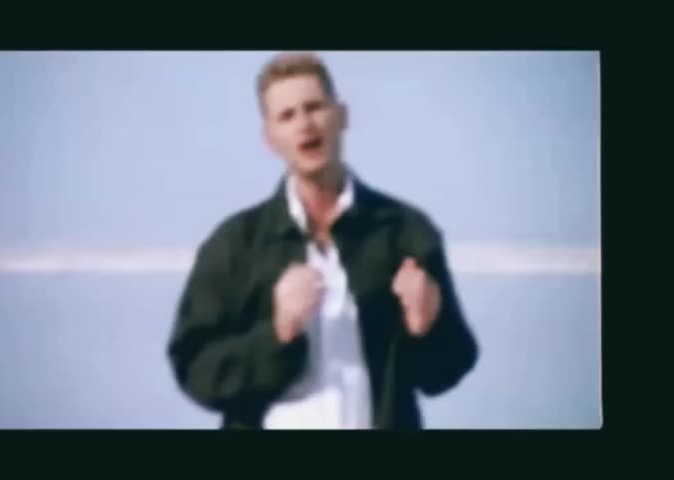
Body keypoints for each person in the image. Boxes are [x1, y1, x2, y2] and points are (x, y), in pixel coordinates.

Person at [166, 52, 478, 429]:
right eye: (287, 115)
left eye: (314, 107)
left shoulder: (405, 231)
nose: (305, 124)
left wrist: (425, 325)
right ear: (270, 139)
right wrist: (278, 332)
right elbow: (195, 368)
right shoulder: (235, 244)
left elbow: (446, 371)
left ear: (341, 116)